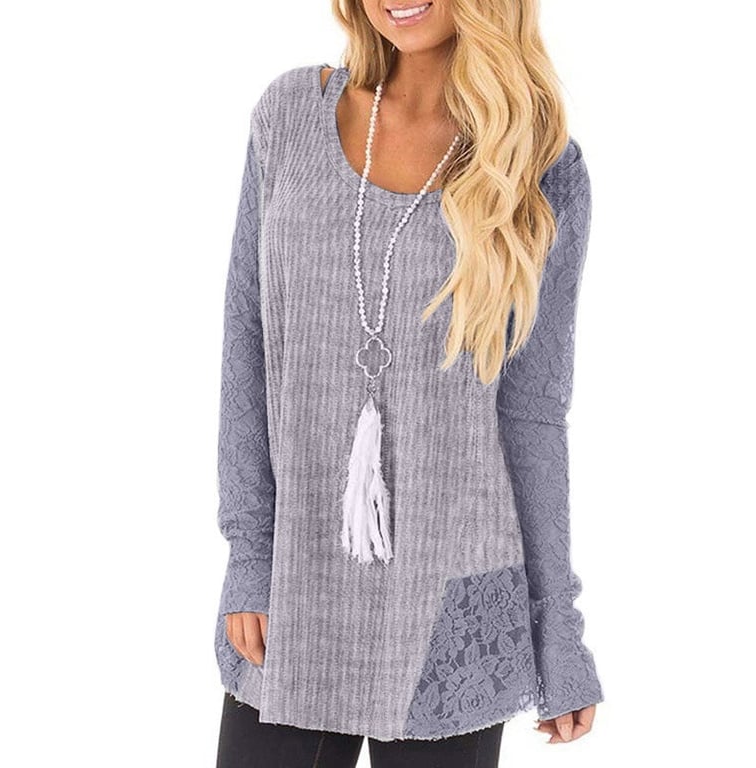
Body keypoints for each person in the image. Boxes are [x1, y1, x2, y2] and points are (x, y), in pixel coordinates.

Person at [213, 1, 605, 766]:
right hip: (299, 579)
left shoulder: (539, 166)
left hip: (452, 594)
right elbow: (246, 345)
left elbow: (531, 411)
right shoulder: (290, 115)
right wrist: (250, 553)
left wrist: (557, 626)